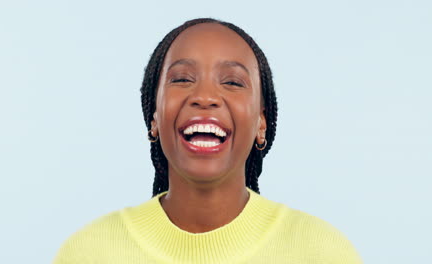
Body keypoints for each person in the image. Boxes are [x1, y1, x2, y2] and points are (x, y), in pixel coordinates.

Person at [53, 18, 363, 264]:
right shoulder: (89, 254)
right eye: (182, 79)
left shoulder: (322, 253)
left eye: (232, 82)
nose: (204, 97)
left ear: (261, 124)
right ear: (154, 118)